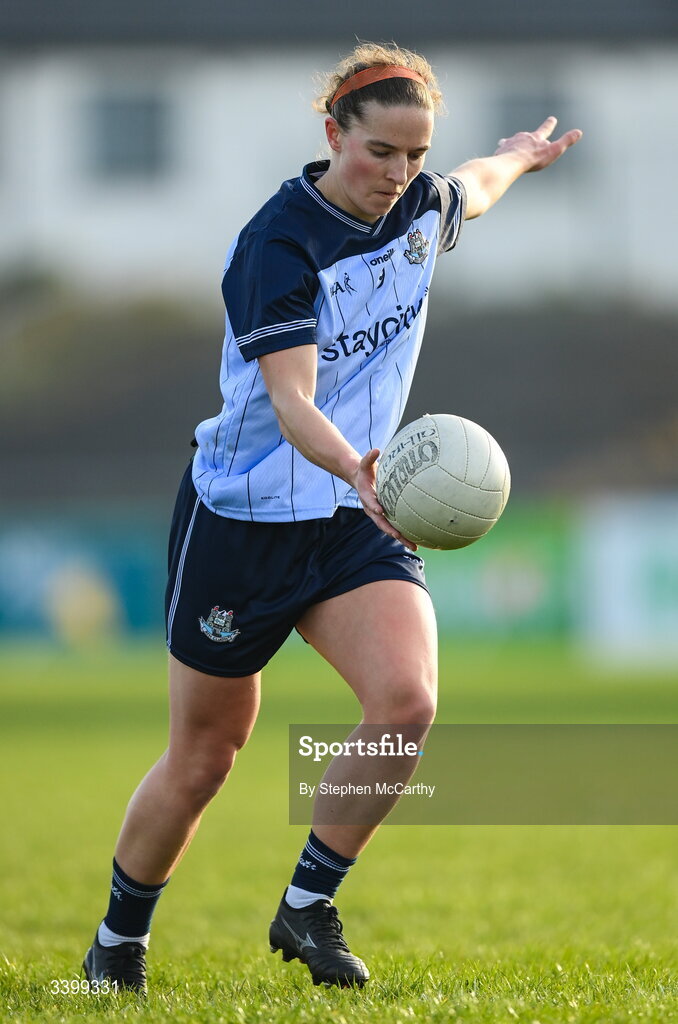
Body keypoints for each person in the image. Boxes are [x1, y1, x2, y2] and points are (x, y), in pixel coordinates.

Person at [82, 42, 582, 993]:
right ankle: (115, 946)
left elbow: (472, 185)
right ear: (333, 135)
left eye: (413, 154)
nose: (398, 175)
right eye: (379, 152)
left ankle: (308, 907)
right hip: (246, 519)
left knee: (407, 703)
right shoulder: (278, 244)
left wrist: (517, 156)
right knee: (206, 756)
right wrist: (357, 466)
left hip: (357, 517)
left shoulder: (423, 203)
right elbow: (291, 401)